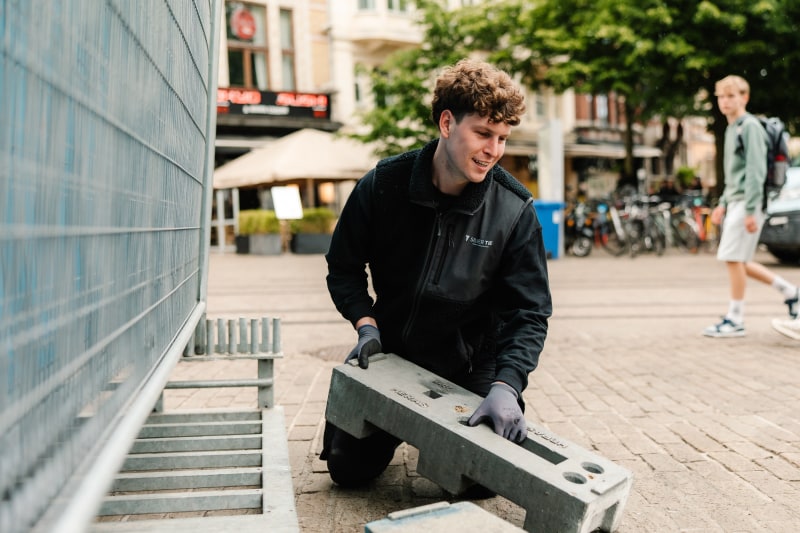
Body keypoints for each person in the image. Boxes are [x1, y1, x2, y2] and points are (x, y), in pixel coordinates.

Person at [321, 59, 552, 490]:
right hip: (393, 355)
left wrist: (507, 383)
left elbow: (530, 311)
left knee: (480, 485)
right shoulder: (384, 184)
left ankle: (448, 434)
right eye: (483, 133)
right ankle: (398, 433)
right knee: (346, 472)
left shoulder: (513, 209)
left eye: (502, 138)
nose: (494, 150)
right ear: (447, 123)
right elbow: (344, 266)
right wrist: (366, 325)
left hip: (470, 365)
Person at [702, 75, 799, 338]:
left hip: (748, 202)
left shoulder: (750, 127)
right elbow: (733, 174)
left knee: (732, 258)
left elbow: (755, 171)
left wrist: (750, 210)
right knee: (739, 261)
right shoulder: (731, 129)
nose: (725, 101)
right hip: (736, 201)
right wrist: (722, 203)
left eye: (731, 96)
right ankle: (792, 294)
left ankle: (735, 319)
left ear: (744, 97)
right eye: (721, 96)